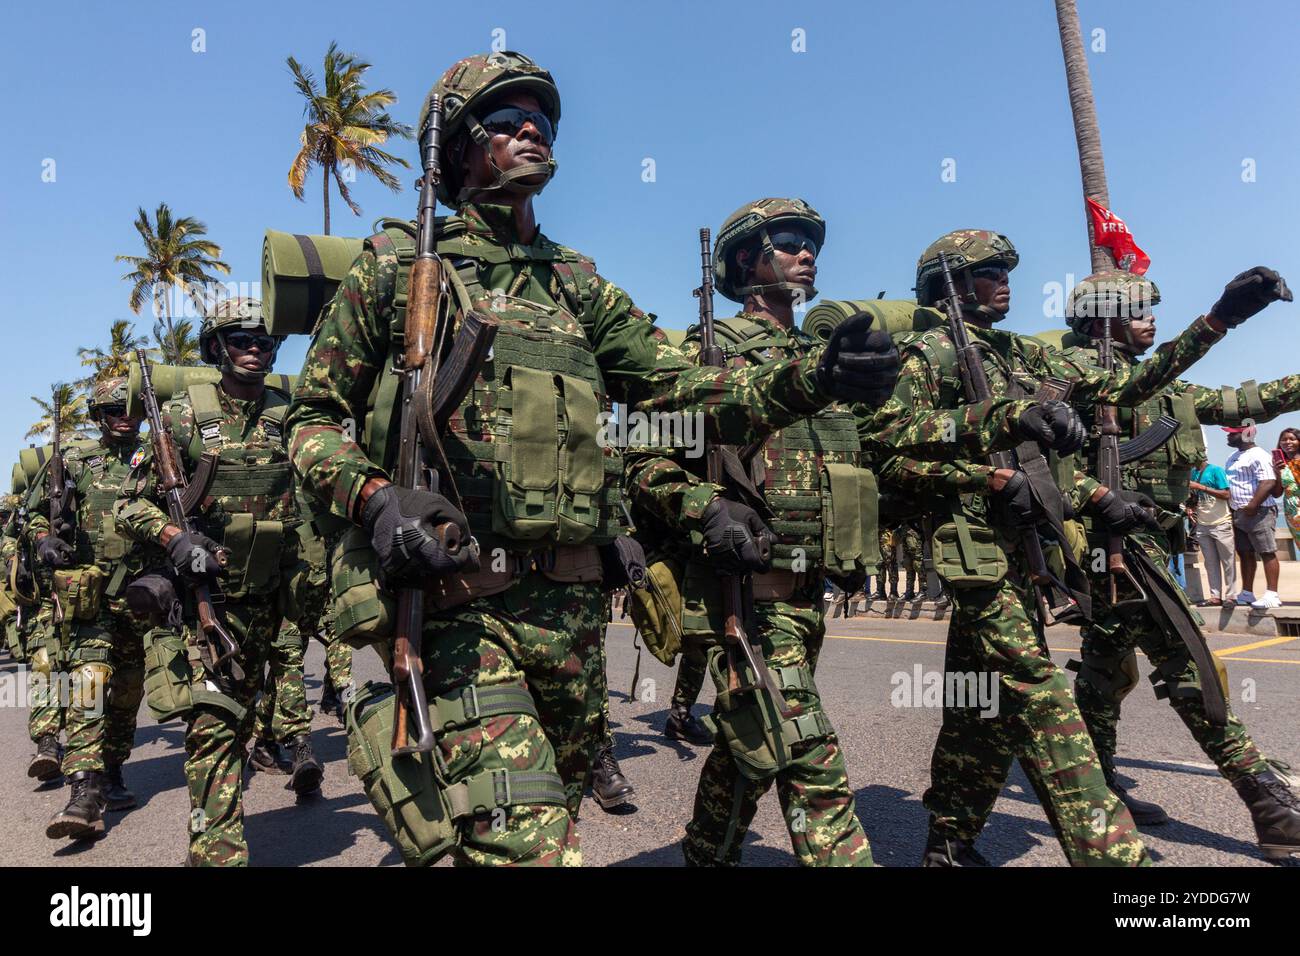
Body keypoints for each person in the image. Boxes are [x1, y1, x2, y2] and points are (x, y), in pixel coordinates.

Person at [283, 55, 946, 867]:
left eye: (545, 121)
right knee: (528, 838)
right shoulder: (396, 267)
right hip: (459, 600)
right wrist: (376, 496)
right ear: (459, 146)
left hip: (569, 614)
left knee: (533, 819)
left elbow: (679, 390)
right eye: (508, 119)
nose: (533, 130)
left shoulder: (576, 283)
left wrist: (812, 377)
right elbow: (311, 418)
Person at [625, 203, 1088, 867]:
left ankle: (703, 853)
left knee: (750, 751)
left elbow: (899, 437)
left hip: (809, 593)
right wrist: (701, 506)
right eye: (787, 243)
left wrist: (1006, 417)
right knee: (812, 757)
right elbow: (642, 455)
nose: (807, 253)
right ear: (745, 263)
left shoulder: (831, 363)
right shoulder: (705, 354)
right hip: (741, 597)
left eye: (811, 243)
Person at [874, 231, 1266, 867]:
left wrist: (1218, 321)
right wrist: (984, 475)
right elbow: (889, 456)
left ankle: (947, 844)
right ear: (948, 284)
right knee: (1045, 701)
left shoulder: (1023, 358)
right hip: (975, 554)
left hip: (1032, 556)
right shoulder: (925, 358)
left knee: (981, 708)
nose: (1005, 279)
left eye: (1007, 268)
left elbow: (1124, 389)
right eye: (989, 270)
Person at [1054, 269, 1300, 857]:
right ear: (1100, 319)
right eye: (1137, 310)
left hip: (1152, 545)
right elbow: (1124, 397)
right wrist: (1220, 318)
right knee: (1191, 671)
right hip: (1111, 552)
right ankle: (1267, 803)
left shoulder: (1171, 393)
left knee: (1104, 674)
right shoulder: (1075, 379)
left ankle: (1098, 784)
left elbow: (1250, 399)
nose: (1151, 319)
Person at [116, 297, 307, 866]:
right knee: (215, 728)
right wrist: (174, 537)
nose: (254, 350)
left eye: (263, 342)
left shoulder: (290, 414)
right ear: (217, 349)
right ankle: (218, 853)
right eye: (240, 340)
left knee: (258, 718)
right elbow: (130, 507)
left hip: (280, 597)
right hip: (213, 603)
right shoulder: (181, 418)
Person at [25, 377, 153, 841]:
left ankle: (113, 770)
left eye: (131, 407)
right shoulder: (74, 461)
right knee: (89, 687)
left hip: (143, 595)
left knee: (127, 693)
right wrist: (45, 540)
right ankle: (84, 790)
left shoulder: (160, 456)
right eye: (114, 408)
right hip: (89, 597)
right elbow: (33, 514)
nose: (124, 415)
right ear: (98, 417)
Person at [1226, 424, 1283, 608]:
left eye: (1232, 434)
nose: (1227, 438)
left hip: (1259, 512)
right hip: (1239, 513)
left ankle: (1272, 594)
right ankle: (1247, 592)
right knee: (1245, 553)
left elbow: (1268, 481)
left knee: (1266, 551)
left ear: (1246, 434)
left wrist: (1253, 505)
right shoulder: (1233, 457)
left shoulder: (1259, 455)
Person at [1189, 453, 1234, 605]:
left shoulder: (1216, 470)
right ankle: (1215, 596)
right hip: (1202, 524)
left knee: (1228, 561)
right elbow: (1195, 496)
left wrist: (1201, 486)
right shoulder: (1192, 473)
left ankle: (1231, 596)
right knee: (1210, 562)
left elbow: (1226, 494)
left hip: (1221, 522)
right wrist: (1190, 507)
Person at [1275, 427, 1300, 556]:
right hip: (1292, 512)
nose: (1288, 442)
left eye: (1292, 439)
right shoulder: (1280, 465)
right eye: (1284, 440)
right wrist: (1277, 472)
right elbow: (1277, 493)